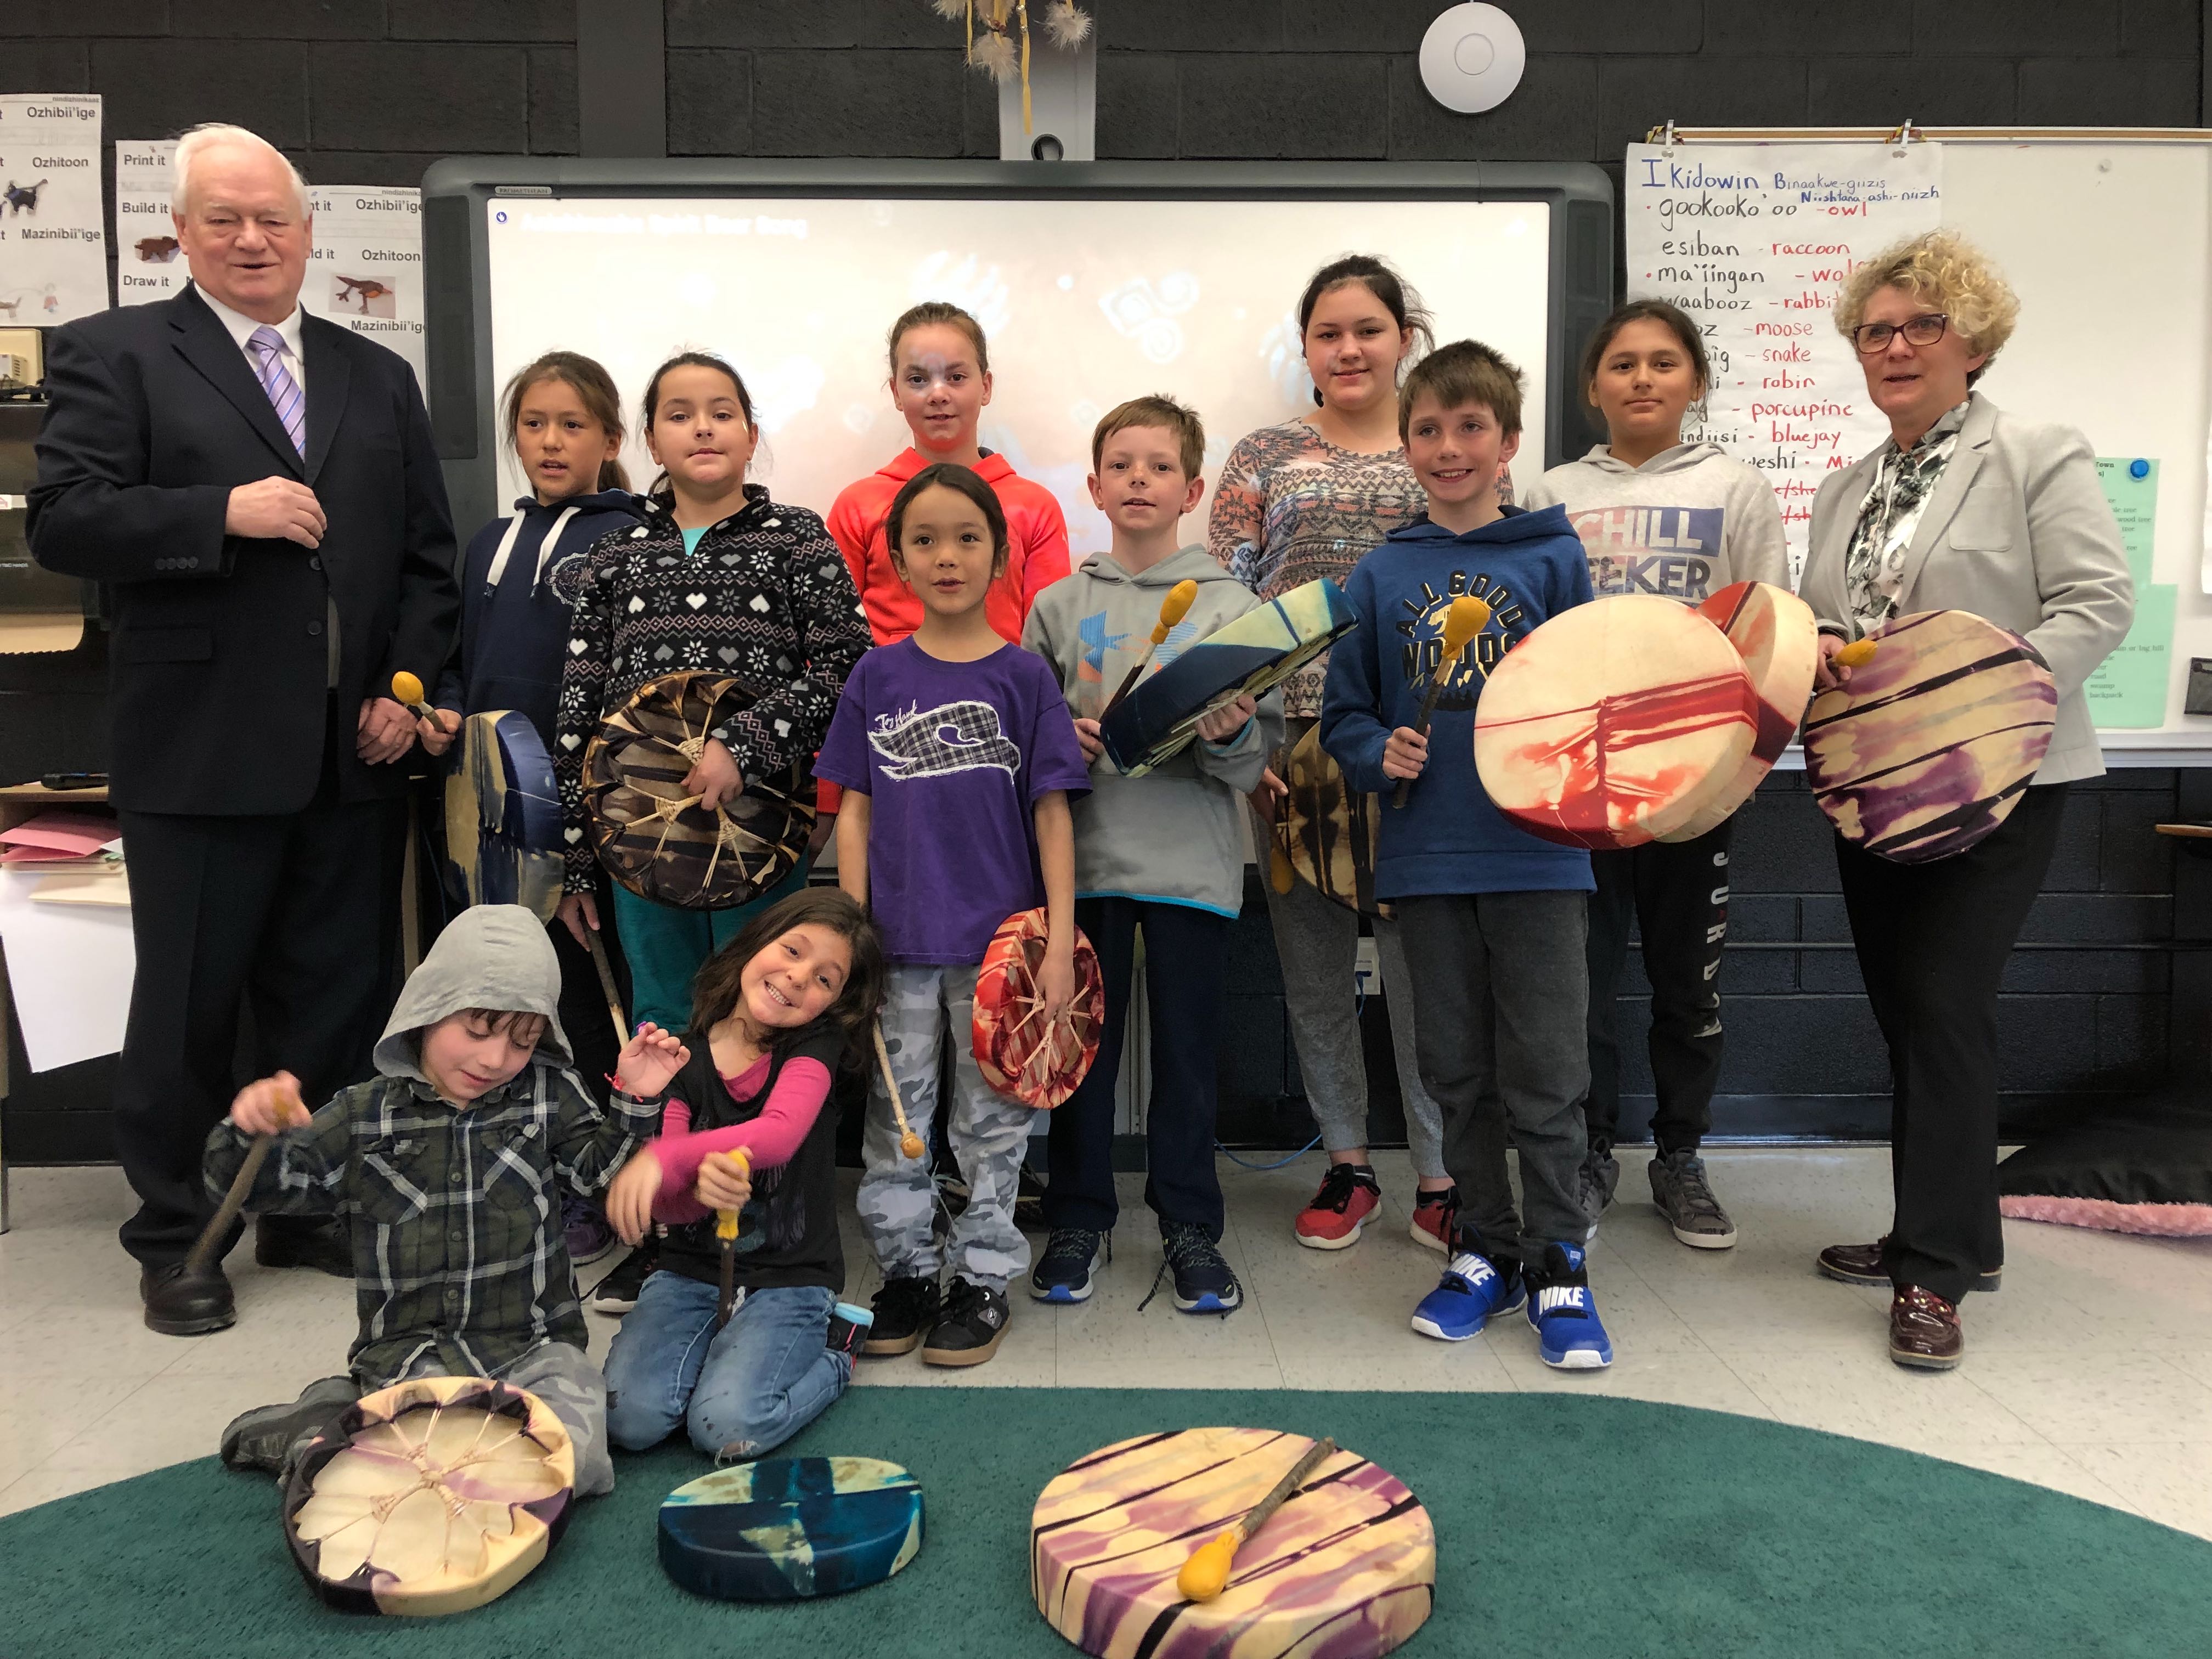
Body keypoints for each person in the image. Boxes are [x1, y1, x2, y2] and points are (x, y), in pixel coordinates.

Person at [28, 123, 459, 1336]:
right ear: (182, 232)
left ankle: (305, 1205)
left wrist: (409, 692)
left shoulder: (377, 375)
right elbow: (63, 522)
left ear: (310, 231)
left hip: (353, 751)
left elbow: (428, 562)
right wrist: (223, 510)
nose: (253, 239)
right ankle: (179, 1235)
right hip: (203, 746)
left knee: (337, 996)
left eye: (273, 218)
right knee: (188, 1009)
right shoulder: (114, 354)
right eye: (224, 219)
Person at [1800, 231, 2132, 1371]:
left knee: (1945, 1004)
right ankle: (1950, 1233)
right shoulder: (1845, 487)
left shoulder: (2036, 453)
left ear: (1974, 342)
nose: (1894, 347)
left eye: (1920, 325)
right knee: (1908, 1014)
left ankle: (1933, 1276)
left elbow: (2097, 603)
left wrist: (1983, 706)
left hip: (2005, 786)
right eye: (1875, 330)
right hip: (1875, 790)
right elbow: (1828, 631)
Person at [551, 351, 868, 1317]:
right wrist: (575, 852)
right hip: (638, 854)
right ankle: (668, 1228)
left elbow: (847, 671)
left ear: (750, 430)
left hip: (761, 841)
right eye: (679, 414)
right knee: (660, 1022)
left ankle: (775, 1219)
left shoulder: (796, 540)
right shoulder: (614, 559)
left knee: (762, 1019)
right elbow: (578, 712)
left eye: (721, 411)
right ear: (647, 438)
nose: (702, 428)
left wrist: (744, 740)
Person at [1321, 340, 1613, 1369]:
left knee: (1547, 1069)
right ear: (1405, 444)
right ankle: (1483, 1253)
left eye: (1470, 428)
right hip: (1426, 856)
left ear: (1509, 443)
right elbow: (1343, 711)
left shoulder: (1552, 558)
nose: (1449, 448)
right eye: (1429, 430)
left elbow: (1596, 703)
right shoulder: (1381, 570)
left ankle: (1559, 1260)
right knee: (1454, 1072)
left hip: (1537, 857)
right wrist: (1375, 749)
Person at [206, 906, 662, 1496]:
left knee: (575, 1467)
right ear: (425, 1011)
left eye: (522, 1042)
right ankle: (321, 1418)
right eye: (476, 1031)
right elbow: (271, 1188)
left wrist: (636, 1099)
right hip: (411, 1356)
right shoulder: (361, 1113)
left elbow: (600, 1181)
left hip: (537, 1350)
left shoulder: (551, 1092)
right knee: (392, 1479)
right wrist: (251, 1131)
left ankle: (351, 1415)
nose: (495, 1059)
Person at [1523, 298, 1790, 1251]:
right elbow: (1530, 639)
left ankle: (1679, 1154)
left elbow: (1772, 630)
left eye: (1663, 362)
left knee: (1688, 982)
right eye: (1623, 363)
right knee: (1581, 981)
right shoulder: (1549, 490)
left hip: (1696, 777)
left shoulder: (1736, 488)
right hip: (1582, 773)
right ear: (1592, 386)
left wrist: (1741, 764)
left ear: (1696, 381)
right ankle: (1592, 1146)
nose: (1642, 378)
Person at [1209, 255, 1458, 1253]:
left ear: (1405, 335)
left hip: (1416, 742)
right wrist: (1240, 730)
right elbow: (1225, 595)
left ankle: (1439, 1175)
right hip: (1290, 740)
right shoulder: (1262, 452)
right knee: (1311, 969)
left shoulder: (1442, 438)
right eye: (1327, 332)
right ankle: (1348, 1162)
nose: (1348, 348)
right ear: (1305, 347)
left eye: (1367, 328)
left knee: (1423, 968)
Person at [819, 463, 1089, 1368]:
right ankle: (904, 1274)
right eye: (924, 540)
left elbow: (1053, 811)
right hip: (895, 948)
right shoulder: (875, 673)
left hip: (999, 957)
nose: (947, 555)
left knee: (991, 1124)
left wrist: (1057, 938)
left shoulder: (1025, 677)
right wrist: (853, 935)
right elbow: (851, 808)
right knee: (897, 1122)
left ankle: (979, 1279)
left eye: (967, 537)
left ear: (1001, 555)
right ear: (894, 560)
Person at [1022, 396, 1284, 1315]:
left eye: (1158, 466)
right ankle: (1079, 1214)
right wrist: (1066, 747)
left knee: (1186, 1058)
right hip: (1083, 868)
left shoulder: (1236, 608)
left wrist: (1224, 735)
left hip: (1195, 873)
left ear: (1192, 487)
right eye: (1121, 465)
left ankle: (1189, 1224)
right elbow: (1025, 747)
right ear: (1092, 486)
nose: (1138, 480)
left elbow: (1254, 761)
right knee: (1080, 1055)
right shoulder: (1056, 604)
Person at [417, 349, 641, 1268]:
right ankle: (531, 1170)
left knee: (596, 1000)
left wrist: (583, 839)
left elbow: (622, 692)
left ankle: (609, 1178)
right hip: (489, 821)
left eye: (572, 424)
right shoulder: (487, 542)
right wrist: (445, 710)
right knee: (510, 999)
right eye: (535, 423)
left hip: (581, 826)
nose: (550, 441)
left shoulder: (630, 540)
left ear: (611, 440)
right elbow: (469, 665)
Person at [596, 889, 885, 1462]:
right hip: (689, 1273)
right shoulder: (685, 1062)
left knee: (725, 1428)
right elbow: (672, 1210)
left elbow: (777, 1136)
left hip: (791, 1277)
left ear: (833, 1006)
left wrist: (662, 1160)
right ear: (754, 944)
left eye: (826, 980)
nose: (801, 978)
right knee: (628, 1421)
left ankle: (838, 1354)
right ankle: (718, 1358)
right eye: (793, 951)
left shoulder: (815, 1047)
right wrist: (688, 1184)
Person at [827, 300, 1070, 647]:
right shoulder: (858, 505)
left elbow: (1051, 639)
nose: (938, 394)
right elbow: (833, 635)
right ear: (896, 392)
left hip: (1003, 697)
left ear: (985, 386)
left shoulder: (1035, 507)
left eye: (956, 377)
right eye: (918, 379)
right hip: (886, 699)